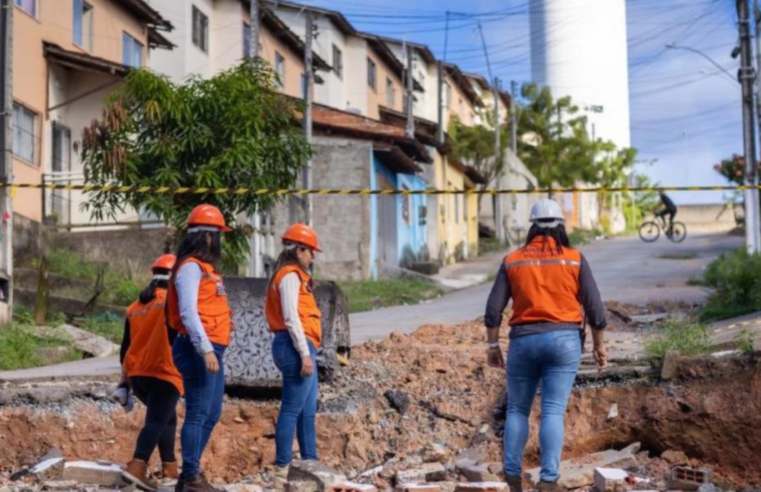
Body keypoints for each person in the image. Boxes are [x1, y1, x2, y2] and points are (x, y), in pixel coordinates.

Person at [484, 199, 608, 492]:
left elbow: (493, 311)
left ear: (532, 226)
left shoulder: (513, 260)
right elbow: (596, 311)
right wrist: (598, 346)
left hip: (523, 343)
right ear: (561, 226)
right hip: (564, 342)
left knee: (517, 409)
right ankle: (549, 482)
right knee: (552, 411)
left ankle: (513, 479)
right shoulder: (575, 258)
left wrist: (492, 347)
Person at [166, 204, 234, 492]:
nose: (219, 241)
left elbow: (207, 306)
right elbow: (189, 312)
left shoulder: (205, 269)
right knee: (197, 412)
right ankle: (191, 475)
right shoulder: (190, 268)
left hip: (210, 347)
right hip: (196, 348)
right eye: (218, 235)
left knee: (212, 411)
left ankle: (189, 474)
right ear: (207, 237)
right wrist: (205, 348)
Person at [264, 224, 323, 488]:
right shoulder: (289, 275)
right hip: (294, 347)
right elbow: (291, 316)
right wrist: (304, 354)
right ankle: (281, 474)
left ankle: (311, 466)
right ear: (299, 251)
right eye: (311, 252)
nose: (313, 257)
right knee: (291, 410)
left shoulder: (297, 276)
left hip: (300, 346)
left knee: (307, 412)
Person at [120, 254, 183, 491]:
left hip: (138, 376)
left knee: (167, 417)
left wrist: (123, 383)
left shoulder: (136, 307)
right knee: (157, 420)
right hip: (164, 371)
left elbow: (125, 348)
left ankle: (170, 470)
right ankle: (137, 466)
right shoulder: (172, 303)